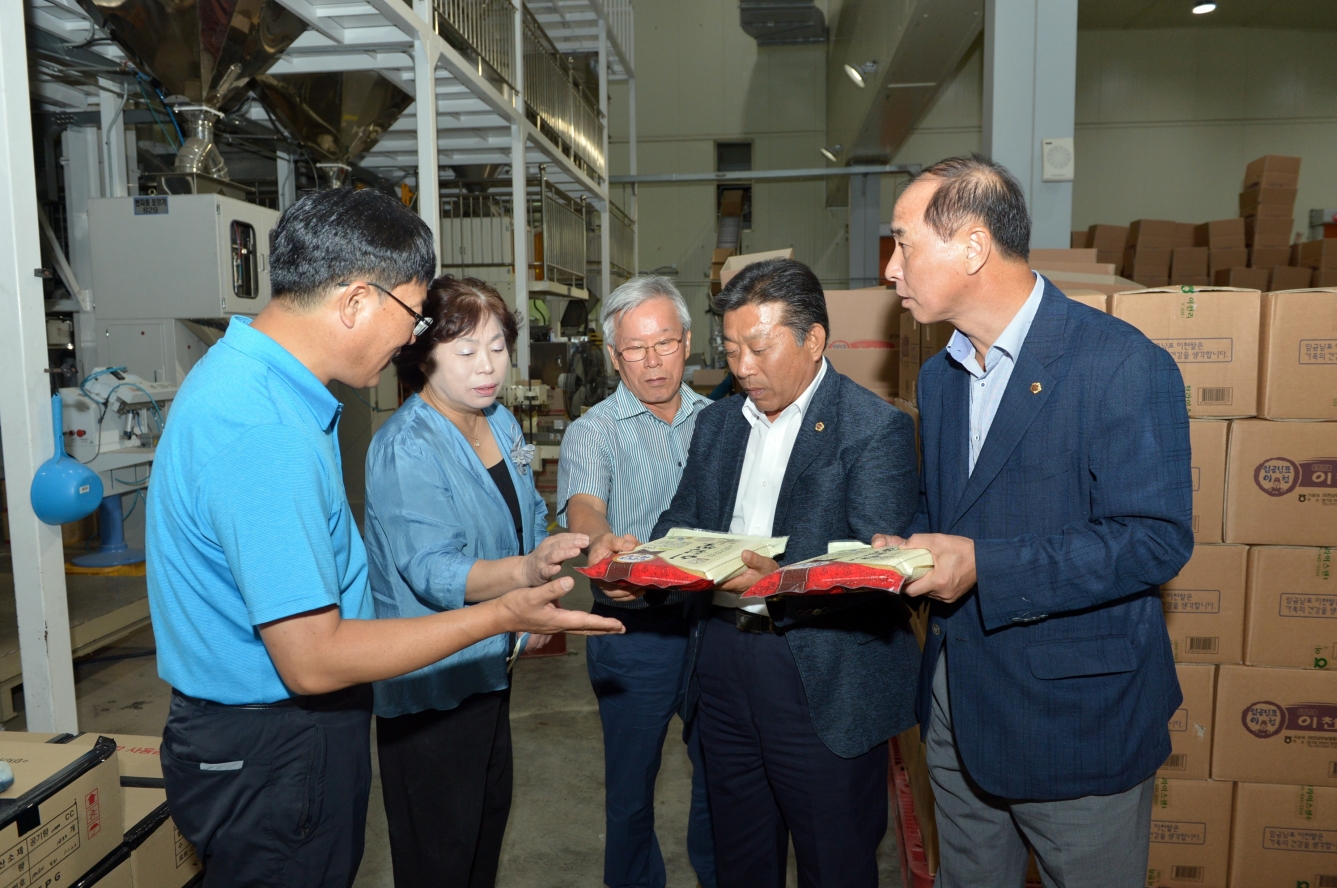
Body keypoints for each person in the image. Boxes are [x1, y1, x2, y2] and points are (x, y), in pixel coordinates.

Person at [145, 188, 622, 888]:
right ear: (355, 301)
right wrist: (500, 613)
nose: (411, 336)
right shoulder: (264, 428)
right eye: (411, 312)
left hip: (266, 736)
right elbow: (312, 658)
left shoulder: (242, 380)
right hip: (275, 744)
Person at [875, 154, 1193, 887]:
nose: (890, 270)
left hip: (1075, 720)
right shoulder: (939, 374)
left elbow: (1153, 538)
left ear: (973, 248)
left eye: (903, 244)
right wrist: (907, 548)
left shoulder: (1119, 365)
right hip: (958, 708)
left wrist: (984, 564)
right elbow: (949, 509)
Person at [651, 258, 921, 888]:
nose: (742, 366)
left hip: (819, 669)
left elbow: (871, 569)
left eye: (759, 347)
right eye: (731, 349)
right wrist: (645, 561)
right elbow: (684, 516)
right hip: (722, 664)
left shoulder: (874, 428)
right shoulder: (718, 424)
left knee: (835, 860)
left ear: (814, 339)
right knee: (739, 856)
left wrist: (780, 580)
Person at [363, 276, 579, 888]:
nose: (487, 367)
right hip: (430, 684)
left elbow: (529, 516)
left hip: (488, 667)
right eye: (465, 352)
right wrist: (523, 581)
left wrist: (541, 573)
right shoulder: (407, 447)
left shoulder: (499, 421)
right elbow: (434, 573)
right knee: (438, 855)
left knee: (482, 836)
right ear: (423, 355)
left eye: (497, 347)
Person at [556, 276, 717, 888]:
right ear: (612, 355)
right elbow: (586, 508)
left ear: (688, 340)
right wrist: (601, 546)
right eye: (635, 350)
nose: (653, 363)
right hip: (634, 633)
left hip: (714, 626)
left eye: (665, 345)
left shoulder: (723, 423)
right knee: (630, 793)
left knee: (722, 781)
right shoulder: (595, 431)